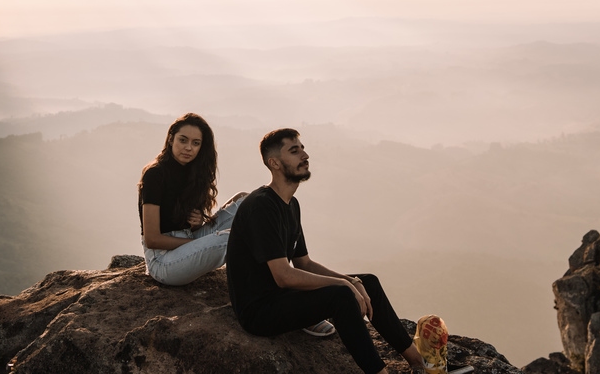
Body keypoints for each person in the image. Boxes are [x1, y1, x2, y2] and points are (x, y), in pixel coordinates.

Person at [225, 128, 429, 374]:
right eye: (294, 151)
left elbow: (304, 263)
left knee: (368, 283)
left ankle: (418, 361)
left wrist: (351, 281)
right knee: (341, 296)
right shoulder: (262, 206)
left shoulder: (291, 204)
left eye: (302, 149)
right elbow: (283, 276)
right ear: (274, 163)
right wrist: (344, 286)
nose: (305, 155)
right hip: (260, 312)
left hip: (283, 297)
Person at [138, 113, 247, 286]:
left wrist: (196, 224)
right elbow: (152, 239)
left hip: (188, 242)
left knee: (246, 202)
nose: (188, 148)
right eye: (183, 140)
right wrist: (200, 242)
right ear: (171, 139)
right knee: (230, 238)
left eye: (196, 143)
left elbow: (186, 224)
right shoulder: (155, 174)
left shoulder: (195, 173)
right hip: (163, 260)